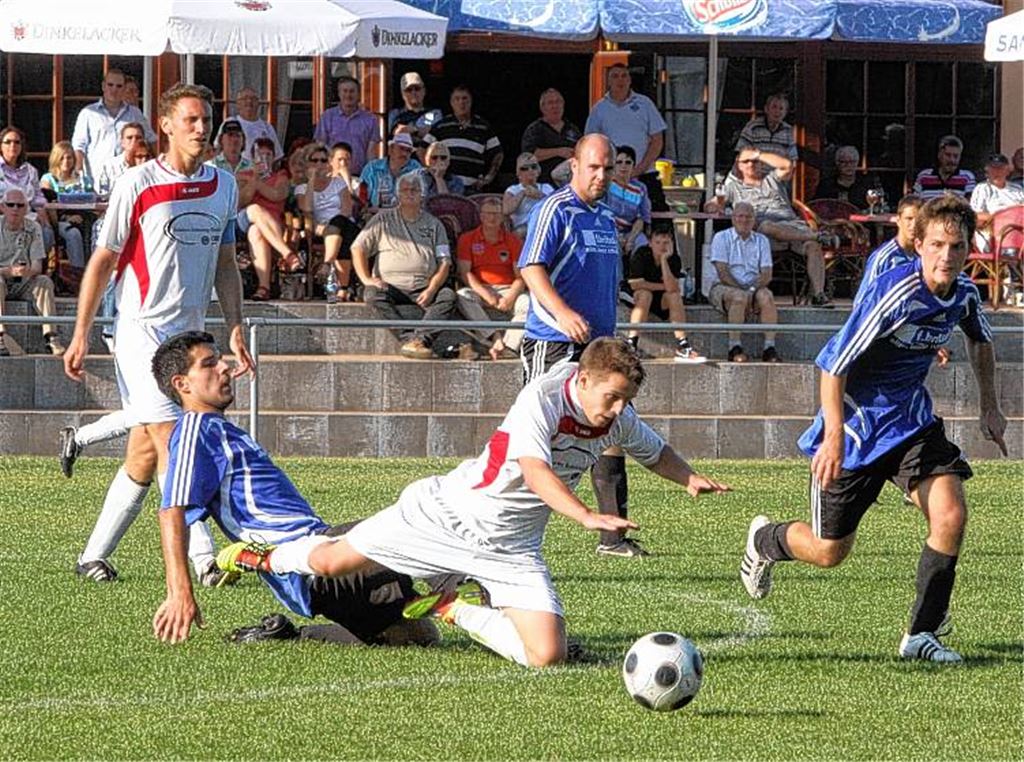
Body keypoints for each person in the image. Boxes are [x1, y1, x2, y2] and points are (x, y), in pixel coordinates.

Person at [218, 338, 729, 667]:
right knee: (330, 561)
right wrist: (585, 514)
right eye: (612, 397)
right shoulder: (542, 399)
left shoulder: (616, 417)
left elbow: (654, 450)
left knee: (546, 656)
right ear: (584, 380)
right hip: (443, 516)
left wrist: (688, 478)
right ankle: (255, 555)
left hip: (510, 548)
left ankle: (448, 606)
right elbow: (535, 470)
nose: (617, 410)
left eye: (626, 401)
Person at [739, 195, 1007, 664]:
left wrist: (991, 406)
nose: (948, 256)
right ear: (919, 245)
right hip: (858, 429)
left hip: (911, 425)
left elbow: (981, 341)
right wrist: (835, 435)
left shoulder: (964, 293)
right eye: (939, 244)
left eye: (958, 246)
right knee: (829, 551)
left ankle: (921, 635)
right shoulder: (894, 293)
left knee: (950, 514)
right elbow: (832, 365)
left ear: (968, 249)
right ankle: (765, 541)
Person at [62, 82, 254, 586]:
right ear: (165, 125)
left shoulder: (224, 185)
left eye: (205, 119)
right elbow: (104, 259)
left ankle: (92, 556)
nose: (201, 127)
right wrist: (80, 331)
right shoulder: (138, 182)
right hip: (139, 330)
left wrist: (234, 325)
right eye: (190, 119)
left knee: (145, 450)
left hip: (190, 335)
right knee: (175, 440)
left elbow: (226, 264)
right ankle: (207, 560)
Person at [149, 330, 444, 647]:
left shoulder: (222, 430)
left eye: (220, 359)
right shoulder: (195, 429)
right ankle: (481, 590)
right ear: (182, 384)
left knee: (417, 637)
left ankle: (287, 635)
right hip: (308, 564)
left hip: (322, 549)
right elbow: (172, 511)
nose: (225, 368)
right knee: (421, 523)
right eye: (209, 364)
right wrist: (179, 592)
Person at [517, 134, 643, 559]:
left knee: (611, 426)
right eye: (593, 167)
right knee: (537, 437)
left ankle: (613, 537)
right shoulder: (555, 209)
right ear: (574, 166)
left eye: (607, 168)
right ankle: (506, 531)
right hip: (554, 343)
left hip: (599, 345)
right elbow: (531, 268)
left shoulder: (606, 217)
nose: (601, 176)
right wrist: (563, 313)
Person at [350, 172, 471, 360]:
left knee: (448, 296)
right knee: (372, 294)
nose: (410, 193)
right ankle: (413, 340)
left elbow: (445, 262)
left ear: (422, 194)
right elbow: (357, 248)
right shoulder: (382, 220)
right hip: (390, 286)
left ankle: (418, 340)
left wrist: (432, 289)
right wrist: (366, 279)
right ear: (397, 194)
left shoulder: (434, 224)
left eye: (414, 190)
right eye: (405, 190)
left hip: (424, 287)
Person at [706, 146, 833, 308]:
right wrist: (718, 204)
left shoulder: (771, 178)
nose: (752, 164)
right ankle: (817, 236)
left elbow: (787, 165)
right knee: (767, 226)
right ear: (739, 165)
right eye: (747, 161)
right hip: (765, 238)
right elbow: (709, 207)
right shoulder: (733, 186)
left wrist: (759, 154)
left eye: (756, 161)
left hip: (792, 228)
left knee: (813, 247)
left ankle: (819, 295)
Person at [584, 63, 668, 211]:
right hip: (611, 179)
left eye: (624, 76)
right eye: (615, 76)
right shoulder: (599, 109)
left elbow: (657, 140)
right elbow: (591, 145)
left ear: (630, 80)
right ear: (608, 81)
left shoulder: (645, 104)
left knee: (657, 221)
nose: (620, 80)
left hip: (645, 174)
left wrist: (639, 169)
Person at [455, 196, 529, 360]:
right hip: (480, 288)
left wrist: (510, 297)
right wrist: (486, 295)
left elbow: (521, 276)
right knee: (462, 296)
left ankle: (509, 346)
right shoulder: (467, 239)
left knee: (529, 303)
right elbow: (465, 273)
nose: (492, 218)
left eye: (496, 214)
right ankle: (494, 336)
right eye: (488, 213)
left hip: (508, 288)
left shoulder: (513, 240)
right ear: (481, 216)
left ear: (503, 217)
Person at [707, 202, 778, 363]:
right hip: (723, 286)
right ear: (733, 219)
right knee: (739, 297)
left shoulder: (762, 241)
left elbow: (767, 274)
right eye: (740, 216)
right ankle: (734, 347)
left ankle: (769, 347)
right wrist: (745, 293)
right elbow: (722, 272)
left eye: (748, 217)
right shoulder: (721, 237)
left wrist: (752, 290)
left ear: (754, 220)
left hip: (754, 286)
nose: (744, 220)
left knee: (767, 296)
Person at [0, 187, 64, 357]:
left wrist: (25, 271)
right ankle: (0, 335)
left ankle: (52, 337)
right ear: (2, 207)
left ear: (26, 208)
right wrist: (9, 271)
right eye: (10, 205)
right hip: (3, 278)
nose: (15, 209)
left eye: (20, 205)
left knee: (44, 281)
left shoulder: (33, 227)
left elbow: (37, 266)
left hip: (24, 280)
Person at [627, 225, 705, 363]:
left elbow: (673, 289)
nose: (662, 246)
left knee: (674, 297)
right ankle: (631, 343)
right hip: (638, 297)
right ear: (650, 243)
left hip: (661, 298)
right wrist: (663, 286)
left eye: (666, 243)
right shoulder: (641, 254)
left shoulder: (674, 259)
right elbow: (636, 284)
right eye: (657, 243)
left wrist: (664, 261)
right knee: (645, 295)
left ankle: (683, 345)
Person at [294, 142, 358, 303]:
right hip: (318, 227)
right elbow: (306, 209)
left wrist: (332, 226)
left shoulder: (338, 183)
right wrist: (311, 180)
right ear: (306, 163)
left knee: (340, 224)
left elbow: (346, 210)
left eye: (323, 160)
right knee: (341, 235)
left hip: (342, 223)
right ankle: (343, 288)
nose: (319, 164)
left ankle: (327, 263)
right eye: (314, 160)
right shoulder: (301, 188)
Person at [241, 137, 301, 301]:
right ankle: (287, 253)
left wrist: (257, 183)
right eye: (260, 155)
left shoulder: (281, 176)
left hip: (273, 225)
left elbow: (277, 195)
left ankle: (263, 287)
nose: (264, 159)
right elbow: (241, 201)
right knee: (254, 209)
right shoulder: (244, 175)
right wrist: (254, 178)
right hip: (245, 220)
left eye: (268, 155)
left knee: (256, 231)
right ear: (253, 158)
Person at [71, 67, 156, 180]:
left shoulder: (135, 113)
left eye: (119, 86)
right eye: (110, 85)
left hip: (128, 177)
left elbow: (151, 140)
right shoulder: (88, 113)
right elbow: (78, 146)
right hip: (97, 179)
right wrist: (79, 173)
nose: (114, 89)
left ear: (124, 88)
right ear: (103, 86)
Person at [424, 85, 503, 193]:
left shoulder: (483, 127)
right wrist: (431, 171)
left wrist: (488, 177)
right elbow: (422, 148)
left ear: (471, 101)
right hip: (447, 187)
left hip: (472, 189)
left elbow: (497, 153)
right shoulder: (441, 126)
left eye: (465, 98)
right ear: (451, 103)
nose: (461, 102)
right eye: (457, 99)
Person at [313, 76, 380, 177]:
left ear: (358, 94)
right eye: (345, 91)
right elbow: (321, 146)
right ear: (339, 94)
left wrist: (371, 176)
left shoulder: (370, 120)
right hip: (332, 175)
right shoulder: (327, 117)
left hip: (359, 175)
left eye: (352, 91)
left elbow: (370, 152)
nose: (348, 95)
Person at [39, 140, 88, 268]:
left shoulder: (81, 179)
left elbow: (89, 199)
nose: (66, 161)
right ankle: (77, 275)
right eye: (62, 158)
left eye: (69, 157)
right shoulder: (48, 179)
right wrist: (67, 218)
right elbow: (48, 206)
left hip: (82, 218)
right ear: (55, 159)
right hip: (56, 220)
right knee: (73, 234)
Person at [521, 88, 582, 185]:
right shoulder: (535, 129)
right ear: (542, 107)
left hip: (570, 184)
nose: (555, 106)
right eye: (550, 103)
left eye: (558, 102)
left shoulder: (572, 129)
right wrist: (558, 152)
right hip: (544, 185)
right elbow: (528, 157)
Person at [968, 152, 1024, 252]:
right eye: (993, 168)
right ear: (987, 171)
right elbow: (975, 216)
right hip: (992, 237)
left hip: (1018, 237)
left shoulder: (1017, 189)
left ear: (1007, 171)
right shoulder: (982, 188)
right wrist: (1002, 219)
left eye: (1000, 168)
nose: (996, 172)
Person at [358, 132, 422, 209]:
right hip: (375, 215)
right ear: (391, 149)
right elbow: (362, 197)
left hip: (406, 216)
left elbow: (421, 197)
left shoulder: (416, 168)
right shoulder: (372, 168)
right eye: (401, 148)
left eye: (408, 151)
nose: (404, 154)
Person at [387, 71, 442, 155]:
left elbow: (435, 136)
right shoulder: (394, 114)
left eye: (417, 88)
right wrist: (421, 132)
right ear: (402, 94)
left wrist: (412, 130)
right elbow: (396, 134)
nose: (414, 92)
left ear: (424, 91)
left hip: (427, 160)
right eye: (409, 90)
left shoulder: (435, 113)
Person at [735, 93, 798, 163]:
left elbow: (792, 159)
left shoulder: (788, 131)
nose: (777, 111)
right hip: (755, 172)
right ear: (766, 109)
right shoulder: (753, 127)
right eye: (774, 107)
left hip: (780, 172)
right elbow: (741, 154)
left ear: (785, 113)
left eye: (781, 109)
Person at [503, 152, 554, 238]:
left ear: (538, 171)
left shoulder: (547, 188)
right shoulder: (513, 190)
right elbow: (506, 210)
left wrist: (540, 196)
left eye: (533, 167)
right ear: (518, 173)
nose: (530, 170)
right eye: (524, 168)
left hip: (544, 227)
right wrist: (522, 193)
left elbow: (557, 207)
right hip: (521, 229)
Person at [814, 146, 878, 211]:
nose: (848, 165)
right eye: (843, 162)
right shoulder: (826, 185)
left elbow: (876, 207)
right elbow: (817, 207)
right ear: (837, 163)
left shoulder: (867, 184)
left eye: (852, 162)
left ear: (857, 163)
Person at [913, 135, 976, 201]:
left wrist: (956, 199)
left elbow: (970, 206)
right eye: (948, 155)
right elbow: (914, 204)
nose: (952, 160)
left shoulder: (967, 177)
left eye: (956, 156)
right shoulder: (924, 176)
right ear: (939, 155)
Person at [232, 87, 283, 160]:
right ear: (238, 104)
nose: (249, 101)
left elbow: (277, 156)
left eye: (253, 99)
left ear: (258, 103)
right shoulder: (231, 123)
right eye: (245, 98)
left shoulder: (267, 127)